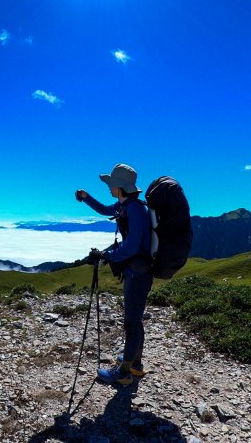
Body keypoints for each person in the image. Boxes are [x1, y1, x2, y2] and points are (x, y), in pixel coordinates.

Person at [75, 163, 153, 386]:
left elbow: (132, 246)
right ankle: (135, 364)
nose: (109, 188)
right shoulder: (125, 205)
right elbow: (103, 210)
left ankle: (125, 373)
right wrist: (86, 197)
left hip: (138, 273)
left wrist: (108, 255)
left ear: (119, 186)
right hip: (135, 270)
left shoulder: (135, 210)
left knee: (131, 322)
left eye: (111, 184)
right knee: (135, 320)